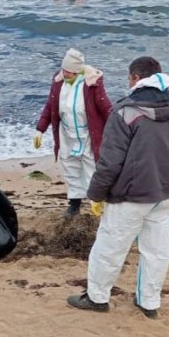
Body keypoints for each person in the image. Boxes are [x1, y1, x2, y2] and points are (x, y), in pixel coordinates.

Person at [67, 56, 169, 318]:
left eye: (129, 77)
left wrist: (96, 194)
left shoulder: (125, 112)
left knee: (110, 247)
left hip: (130, 195)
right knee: (157, 251)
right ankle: (149, 303)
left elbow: (110, 161)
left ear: (135, 78)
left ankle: (97, 298)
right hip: (166, 193)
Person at [33, 48, 112, 216]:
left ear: (78, 71)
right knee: (70, 168)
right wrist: (40, 129)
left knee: (92, 169)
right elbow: (50, 106)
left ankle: (96, 203)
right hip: (67, 134)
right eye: (64, 70)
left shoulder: (92, 83)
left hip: (88, 135)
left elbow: (106, 109)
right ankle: (74, 204)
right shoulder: (58, 81)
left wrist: (118, 129)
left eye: (69, 71)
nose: (65, 73)